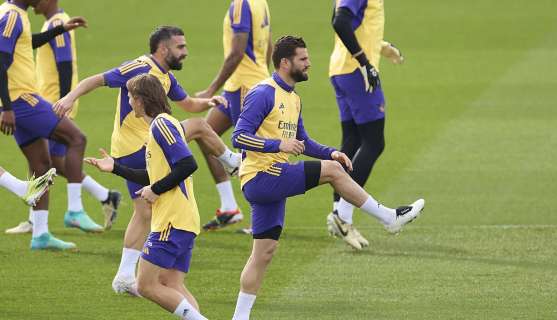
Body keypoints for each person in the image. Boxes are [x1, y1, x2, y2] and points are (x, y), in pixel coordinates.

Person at [229, 36, 424, 320]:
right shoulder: (263, 93)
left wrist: (332, 152)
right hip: (260, 176)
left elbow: (303, 141)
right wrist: (278, 145)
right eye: (303, 59)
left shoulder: (293, 98)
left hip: (272, 179)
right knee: (332, 174)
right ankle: (388, 217)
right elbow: (239, 136)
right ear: (286, 63)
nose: (309, 63)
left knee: (264, 253)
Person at [53, 25, 240, 295]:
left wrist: (210, 101)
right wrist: (70, 98)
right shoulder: (139, 67)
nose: (185, 52)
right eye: (180, 47)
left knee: (143, 212)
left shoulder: (165, 76)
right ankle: (232, 161)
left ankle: (124, 276)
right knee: (198, 127)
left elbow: (187, 103)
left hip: (148, 143)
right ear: (163, 49)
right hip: (135, 146)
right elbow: (98, 79)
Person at [85, 74, 207, 320]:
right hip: (182, 219)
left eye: (130, 97)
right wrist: (115, 168)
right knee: (171, 285)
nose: (128, 102)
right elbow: (152, 175)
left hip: (172, 220)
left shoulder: (162, 125)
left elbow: (187, 164)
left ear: (141, 100)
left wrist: (156, 189)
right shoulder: (157, 127)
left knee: (145, 285)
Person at [6, 0, 121, 235]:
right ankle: (92, 202)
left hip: (44, 101)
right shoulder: (23, 18)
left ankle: (46, 224)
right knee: (58, 157)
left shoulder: (41, 18)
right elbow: (23, 50)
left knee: (48, 160)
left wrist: (65, 99)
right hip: (33, 100)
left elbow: (55, 58)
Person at [327, 0, 405, 249]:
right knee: (374, 142)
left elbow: (352, 24)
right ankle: (342, 216)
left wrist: (380, 47)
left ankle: (338, 212)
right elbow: (339, 21)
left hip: (341, 69)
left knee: (352, 140)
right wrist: (365, 62)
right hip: (355, 72)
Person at [196, 0, 272, 231]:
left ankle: (263, 221)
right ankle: (229, 207)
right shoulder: (261, 3)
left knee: (249, 153)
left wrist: (211, 89)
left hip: (243, 87)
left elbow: (237, 51)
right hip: (241, 85)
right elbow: (268, 46)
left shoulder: (241, 4)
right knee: (204, 133)